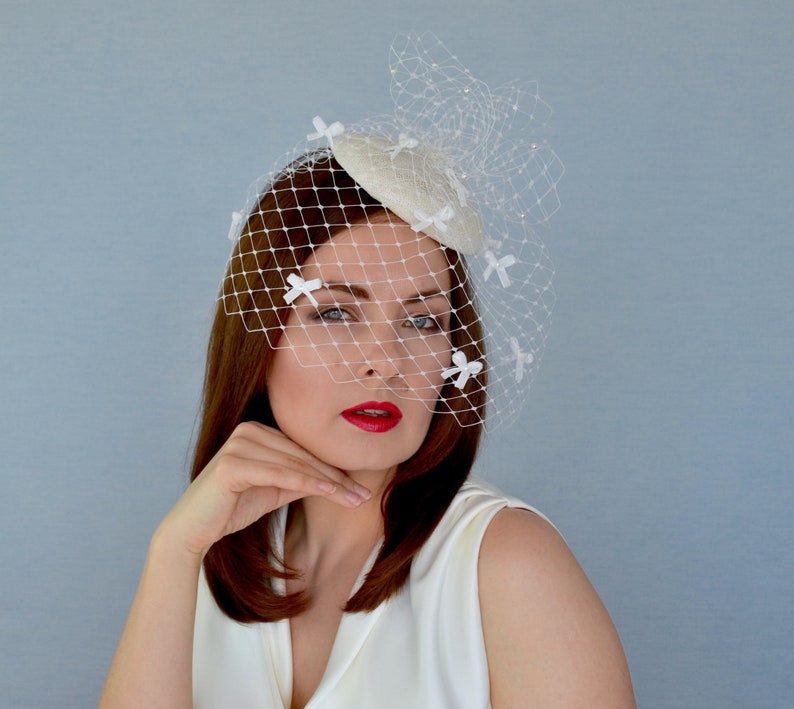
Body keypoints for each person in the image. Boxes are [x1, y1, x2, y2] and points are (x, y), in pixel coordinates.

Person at [100, 33, 635, 708]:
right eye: (334, 314)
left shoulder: (506, 566)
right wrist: (172, 549)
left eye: (422, 320)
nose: (385, 360)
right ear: (259, 341)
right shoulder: (213, 555)